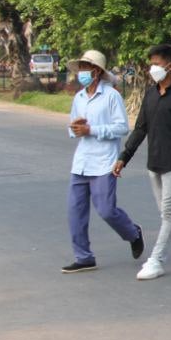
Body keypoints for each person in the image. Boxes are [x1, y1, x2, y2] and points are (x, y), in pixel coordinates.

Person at [114, 44, 171, 281]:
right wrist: (124, 157)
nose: (152, 68)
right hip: (153, 162)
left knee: (168, 212)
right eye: (151, 64)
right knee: (168, 210)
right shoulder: (151, 95)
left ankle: (156, 260)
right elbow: (140, 129)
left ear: (170, 66)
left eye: (156, 64)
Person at [61, 49, 145, 273]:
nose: (81, 72)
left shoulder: (111, 96)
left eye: (85, 68)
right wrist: (76, 128)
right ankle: (84, 257)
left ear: (97, 71)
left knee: (106, 210)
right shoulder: (79, 97)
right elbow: (72, 128)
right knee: (75, 212)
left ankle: (133, 233)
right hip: (81, 162)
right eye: (80, 68)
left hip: (103, 162)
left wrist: (92, 129)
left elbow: (122, 127)